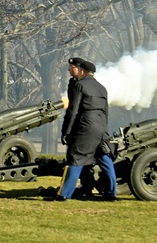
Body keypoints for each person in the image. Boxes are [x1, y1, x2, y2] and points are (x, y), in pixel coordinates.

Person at [50, 58, 118, 201]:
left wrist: (66, 131)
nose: (69, 69)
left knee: (76, 158)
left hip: (85, 126)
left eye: (72, 67)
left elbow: (72, 111)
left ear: (82, 71)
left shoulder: (80, 86)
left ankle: (64, 194)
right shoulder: (102, 88)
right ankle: (111, 194)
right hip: (100, 127)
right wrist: (103, 130)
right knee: (104, 158)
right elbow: (106, 112)